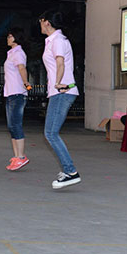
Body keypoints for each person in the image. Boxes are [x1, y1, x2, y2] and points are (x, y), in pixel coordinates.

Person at [39, 10, 81, 189]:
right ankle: (69, 171)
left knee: (51, 133)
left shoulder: (58, 40)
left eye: (41, 21)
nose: (40, 24)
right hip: (59, 91)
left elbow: (60, 63)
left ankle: (71, 172)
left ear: (47, 22)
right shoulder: (53, 40)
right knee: (51, 133)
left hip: (62, 91)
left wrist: (57, 82)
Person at [4, 28, 32, 171]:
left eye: (10, 36)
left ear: (17, 38)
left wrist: (26, 82)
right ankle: (16, 156)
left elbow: (21, 68)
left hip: (17, 93)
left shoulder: (19, 53)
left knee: (16, 124)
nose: (8, 38)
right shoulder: (11, 53)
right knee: (11, 126)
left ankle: (21, 157)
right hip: (10, 93)